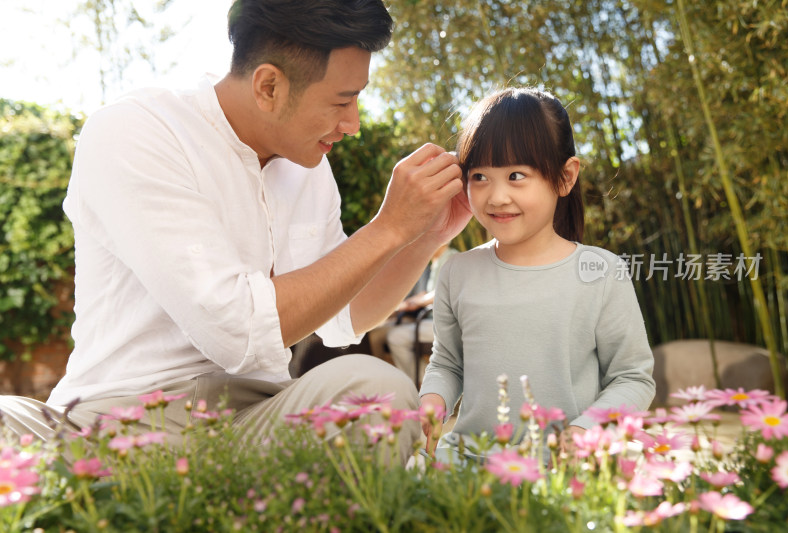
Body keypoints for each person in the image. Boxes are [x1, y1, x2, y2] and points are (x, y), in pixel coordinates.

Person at [0, 0, 472, 461]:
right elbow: (237, 330)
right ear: (269, 86)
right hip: (112, 422)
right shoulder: (136, 131)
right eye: (342, 101)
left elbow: (345, 314)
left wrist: (424, 234)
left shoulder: (308, 166)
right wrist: (387, 227)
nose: (354, 124)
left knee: (381, 393)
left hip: (252, 421)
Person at [418, 87, 655, 460]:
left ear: (565, 177)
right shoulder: (457, 271)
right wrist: (432, 400)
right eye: (479, 176)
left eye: (516, 175)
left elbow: (632, 378)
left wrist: (584, 432)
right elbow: (448, 363)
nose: (496, 196)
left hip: (564, 472)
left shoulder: (600, 273)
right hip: (470, 467)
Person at [386, 242, 457, 384]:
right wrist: (405, 305)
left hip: (447, 325)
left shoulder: (453, 258)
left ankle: (428, 383)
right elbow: (427, 293)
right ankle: (430, 381)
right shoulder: (436, 262)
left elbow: (441, 291)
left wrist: (419, 302)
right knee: (391, 328)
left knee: (396, 337)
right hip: (432, 321)